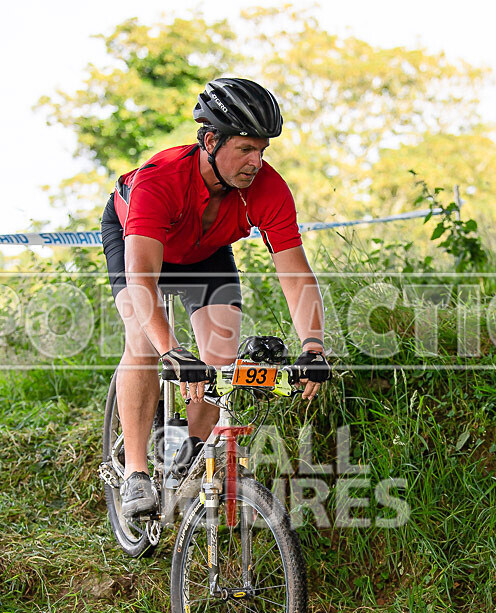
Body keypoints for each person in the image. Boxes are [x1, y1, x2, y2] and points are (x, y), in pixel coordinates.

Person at [101, 77, 331, 516]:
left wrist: (313, 347)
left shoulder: (268, 189)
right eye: (245, 149)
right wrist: (170, 349)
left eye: (262, 150)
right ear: (210, 140)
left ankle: (183, 455)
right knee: (142, 339)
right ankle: (135, 473)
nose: (256, 162)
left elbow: (296, 274)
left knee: (220, 362)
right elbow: (142, 282)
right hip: (142, 242)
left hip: (205, 252)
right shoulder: (160, 180)